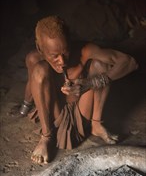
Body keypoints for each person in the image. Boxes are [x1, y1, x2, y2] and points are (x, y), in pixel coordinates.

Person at [19, 16, 138, 164]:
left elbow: (130, 63)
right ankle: (46, 137)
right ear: (40, 48)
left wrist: (89, 84)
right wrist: (25, 106)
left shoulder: (85, 50)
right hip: (55, 115)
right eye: (54, 56)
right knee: (39, 70)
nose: (62, 61)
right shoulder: (34, 58)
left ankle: (96, 123)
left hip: (82, 113)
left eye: (65, 52)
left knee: (100, 65)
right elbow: (32, 83)